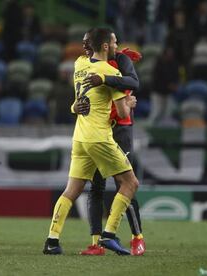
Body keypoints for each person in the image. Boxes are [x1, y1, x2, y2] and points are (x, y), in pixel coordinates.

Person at [43, 27, 139, 255]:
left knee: (71, 190)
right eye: (114, 43)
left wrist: (74, 106)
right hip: (99, 137)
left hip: (79, 136)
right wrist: (128, 100)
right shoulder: (109, 72)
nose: (117, 46)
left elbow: (79, 100)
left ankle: (52, 241)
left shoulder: (79, 64)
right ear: (105, 46)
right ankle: (109, 234)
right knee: (130, 183)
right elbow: (123, 113)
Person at [75, 30, 145, 256]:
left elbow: (133, 81)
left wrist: (108, 83)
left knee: (124, 182)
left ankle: (137, 237)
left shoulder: (121, 60)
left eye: (88, 42)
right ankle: (97, 242)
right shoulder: (85, 65)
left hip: (120, 129)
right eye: (84, 43)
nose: (85, 46)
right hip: (99, 130)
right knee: (96, 186)